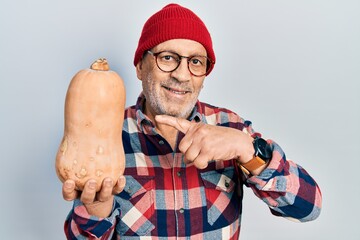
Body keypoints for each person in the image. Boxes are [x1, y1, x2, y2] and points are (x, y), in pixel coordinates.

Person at [62, 3, 322, 239]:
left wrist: (247, 149)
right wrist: (96, 210)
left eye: (196, 62)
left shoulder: (230, 126)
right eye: (167, 58)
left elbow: (309, 208)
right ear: (140, 67)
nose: (182, 75)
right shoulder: (106, 134)